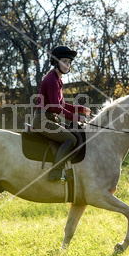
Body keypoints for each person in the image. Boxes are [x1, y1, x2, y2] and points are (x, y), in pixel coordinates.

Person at [32, 46, 91, 181]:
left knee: (74, 132)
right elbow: (57, 108)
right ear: (56, 62)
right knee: (71, 139)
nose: (67, 65)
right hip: (43, 120)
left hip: (51, 119)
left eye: (69, 62)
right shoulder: (51, 79)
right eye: (64, 61)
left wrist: (80, 109)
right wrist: (77, 117)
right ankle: (55, 172)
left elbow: (63, 104)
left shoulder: (58, 80)